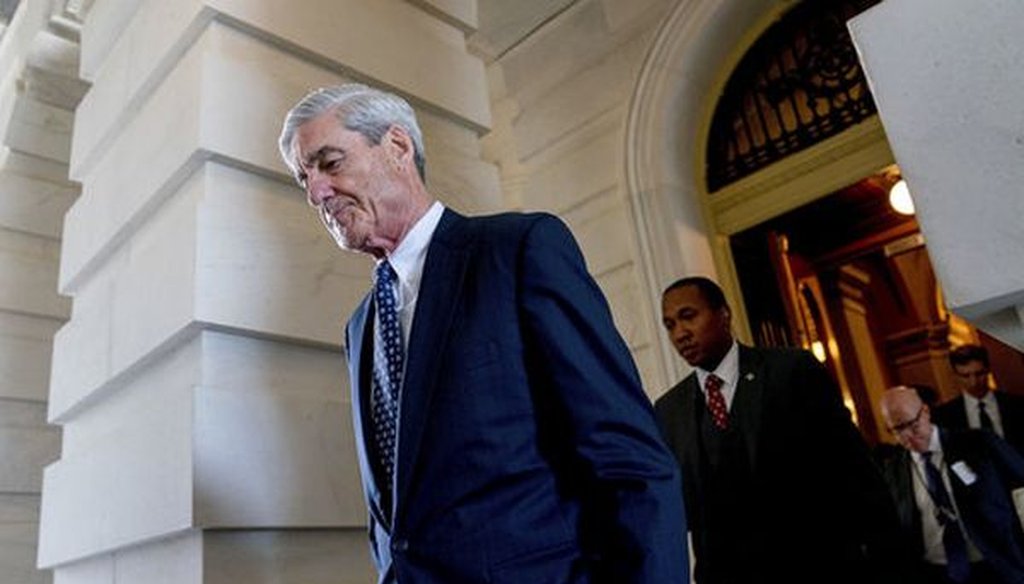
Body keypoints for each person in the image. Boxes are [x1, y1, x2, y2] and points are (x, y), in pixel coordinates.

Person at [278, 83, 688, 584]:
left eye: (330, 163)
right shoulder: (360, 328)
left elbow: (630, 463)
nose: (315, 192)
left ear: (398, 148)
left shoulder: (518, 251)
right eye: (304, 177)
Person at [653, 276, 906, 584]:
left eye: (688, 316)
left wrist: (889, 559)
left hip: (816, 566)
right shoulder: (669, 410)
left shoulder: (791, 371)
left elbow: (855, 471)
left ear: (724, 314)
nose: (680, 334)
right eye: (670, 325)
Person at [876, 385, 1024, 583]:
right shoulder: (892, 469)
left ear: (926, 412)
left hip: (995, 565)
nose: (907, 436)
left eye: (912, 424)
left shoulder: (978, 443)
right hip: (937, 573)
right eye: (897, 429)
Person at [934, 344, 1024, 454]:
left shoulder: (1017, 405)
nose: (974, 382)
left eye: (979, 374)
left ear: (988, 370)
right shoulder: (945, 416)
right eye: (965, 376)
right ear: (955, 375)